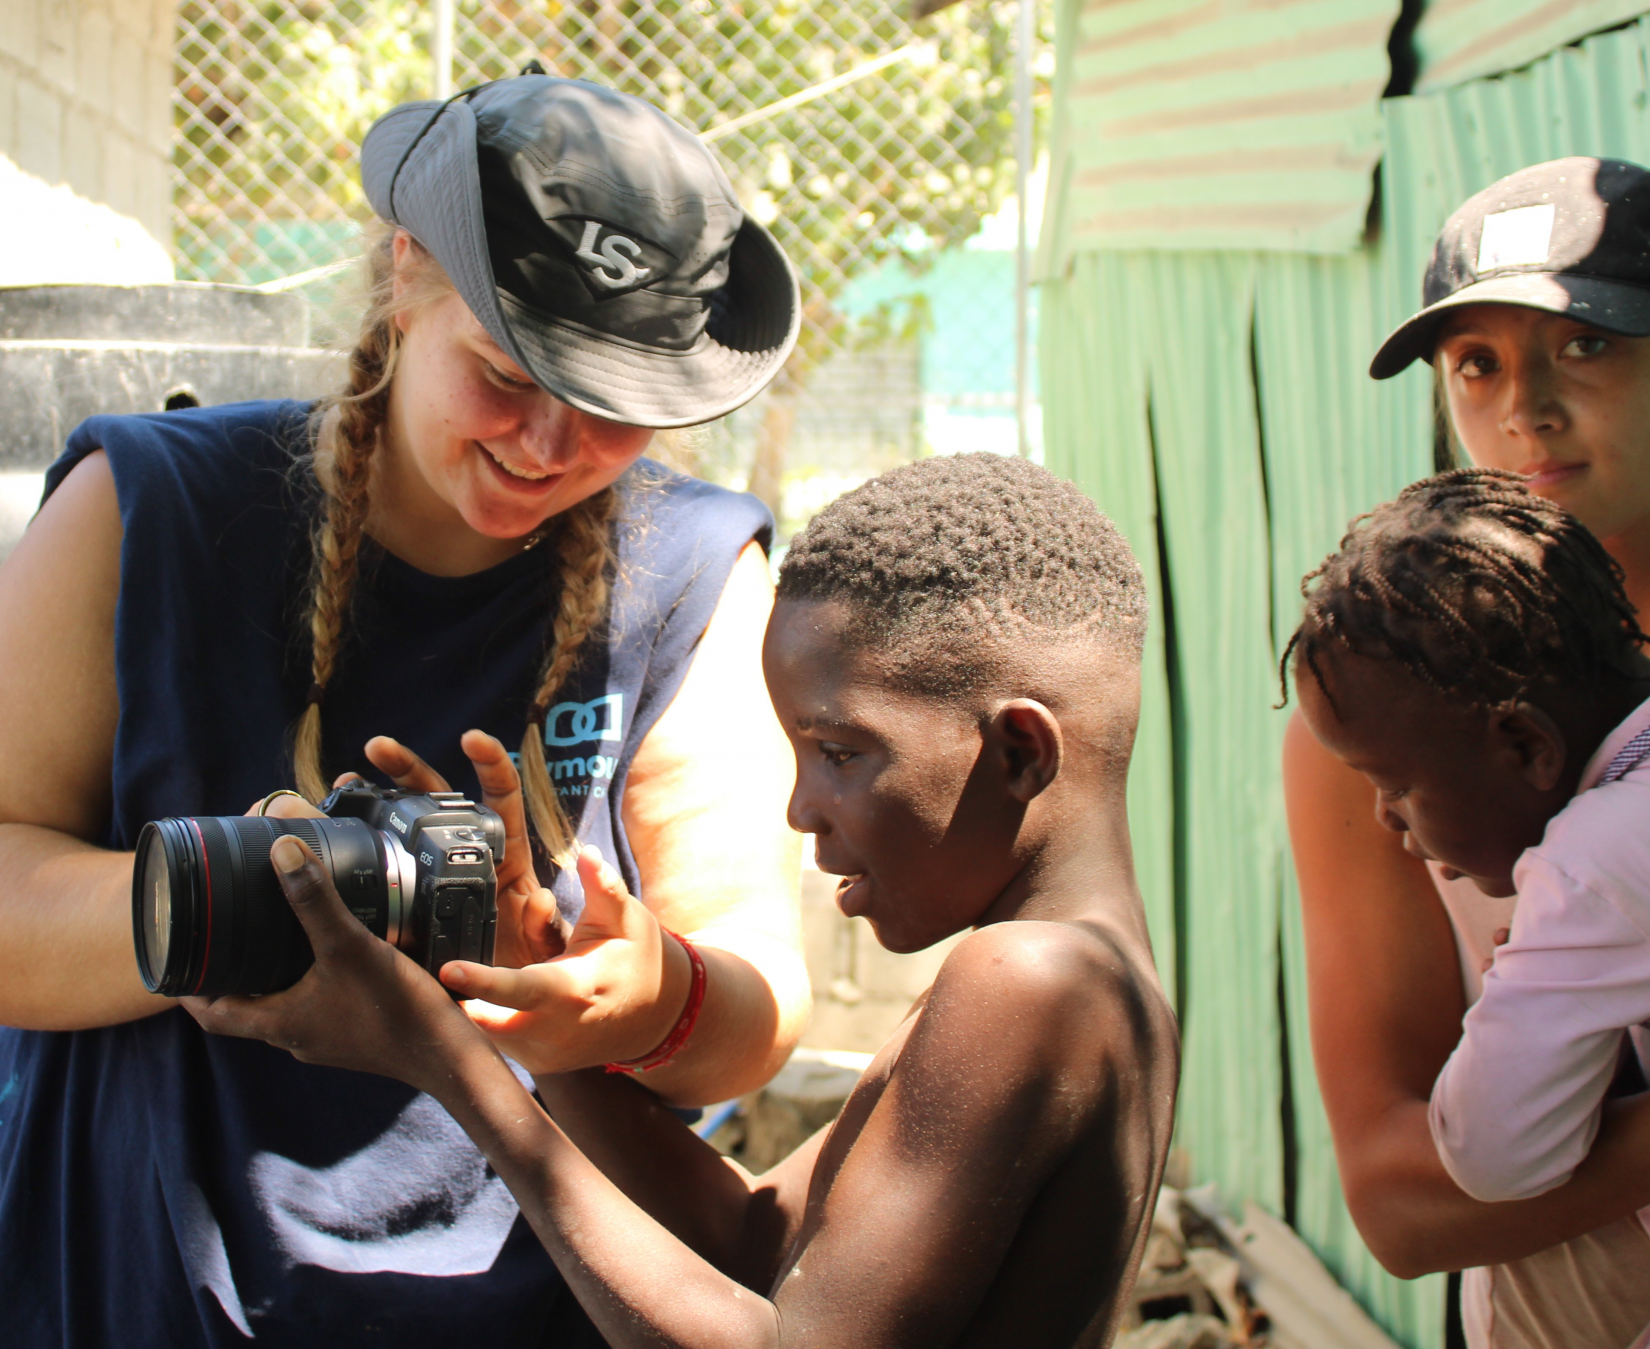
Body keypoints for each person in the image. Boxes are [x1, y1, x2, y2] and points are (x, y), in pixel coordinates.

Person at [0, 73, 816, 1346]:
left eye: (609, 413)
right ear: (407, 273)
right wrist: (272, 900)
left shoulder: (693, 573)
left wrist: (638, 1002)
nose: (548, 441)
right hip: (115, 1281)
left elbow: (754, 1006)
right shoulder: (150, 512)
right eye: (505, 374)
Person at [192, 451, 1181, 1349]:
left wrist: (447, 1069)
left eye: (839, 754)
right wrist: (517, 1010)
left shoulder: (1026, 981)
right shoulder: (1084, 976)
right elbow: (750, 1240)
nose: (801, 810)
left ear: (1019, 752)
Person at [1284, 156, 1650, 1349]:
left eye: (1587, 346)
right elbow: (1399, 1206)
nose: (1525, 407)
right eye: (1478, 366)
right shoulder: (1381, 745)